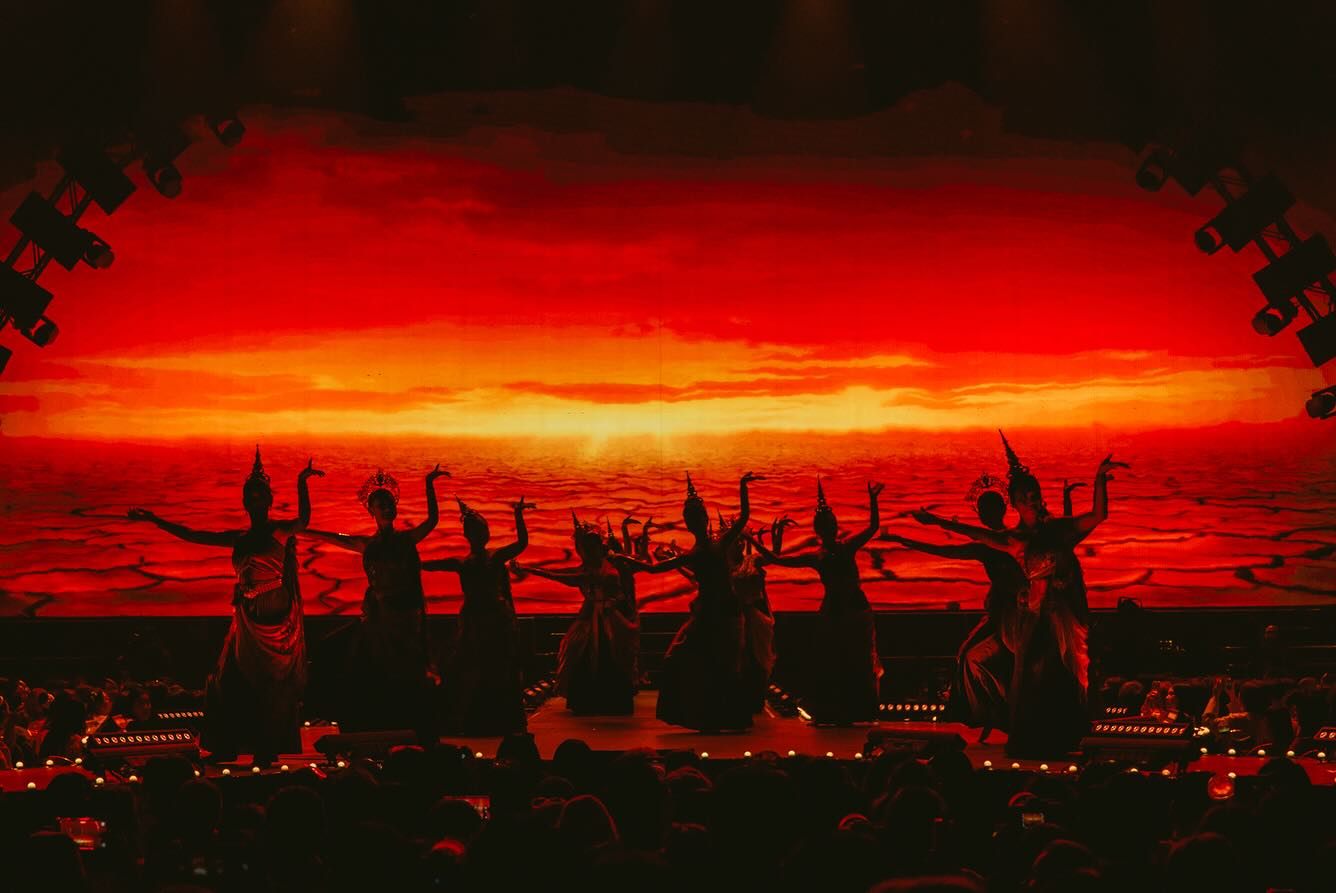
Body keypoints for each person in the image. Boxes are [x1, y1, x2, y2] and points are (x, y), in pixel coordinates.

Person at [912, 432, 1126, 756]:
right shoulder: (1015, 540)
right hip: (1034, 618)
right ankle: (1032, 739)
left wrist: (1099, 480)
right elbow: (976, 535)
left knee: (1065, 673)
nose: (1032, 500)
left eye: (1035, 494)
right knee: (1032, 676)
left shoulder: (1060, 529)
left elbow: (1098, 515)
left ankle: (1067, 737)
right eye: (1025, 497)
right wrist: (935, 521)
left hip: (1063, 616)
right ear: (1015, 503)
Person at [128, 448, 320, 765]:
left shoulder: (279, 531)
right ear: (245, 502)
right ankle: (227, 744)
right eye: (250, 496)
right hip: (245, 614)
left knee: (266, 683)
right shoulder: (239, 537)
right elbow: (194, 535)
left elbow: (304, 520)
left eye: (260, 495)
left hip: (272, 612)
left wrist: (301, 482)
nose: (255, 500)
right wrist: (155, 520)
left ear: (269, 500)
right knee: (227, 678)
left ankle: (265, 749)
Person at [301, 464, 449, 739]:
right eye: (382, 505)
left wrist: (429, 484)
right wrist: (298, 531)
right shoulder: (366, 544)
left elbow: (432, 521)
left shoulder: (406, 539)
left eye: (390, 503)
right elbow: (330, 537)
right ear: (372, 511)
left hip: (404, 617)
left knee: (402, 669)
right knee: (335, 651)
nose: (388, 508)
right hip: (378, 617)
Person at [610, 472, 762, 732]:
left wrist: (742, 486)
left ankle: (727, 717)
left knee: (725, 664)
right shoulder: (692, 554)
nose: (695, 522)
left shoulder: (722, 543)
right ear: (688, 524)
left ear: (705, 518)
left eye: (699, 517)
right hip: (706, 612)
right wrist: (625, 559)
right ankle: (704, 716)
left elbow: (744, 517)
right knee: (683, 659)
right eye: (690, 519)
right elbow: (654, 569)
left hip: (726, 612)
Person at [884, 473, 1025, 740]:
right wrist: (909, 542)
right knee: (967, 655)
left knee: (988, 658)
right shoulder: (984, 546)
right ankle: (989, 712)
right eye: (982, 510)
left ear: (1002, 509)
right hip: (999, 612)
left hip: (1020, 612)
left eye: (990, 509)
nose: (986, 515)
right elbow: (947, 552)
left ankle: (1004, 711)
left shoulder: (1014, 538)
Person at [750, 479, 885, 724]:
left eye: (832, 524)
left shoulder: (847, 547)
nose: (831, 528)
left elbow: (873, 527)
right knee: (833, 659)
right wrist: (754, 543)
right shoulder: (817, 557)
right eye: (826, 526)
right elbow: (779, 561)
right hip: (834, 611)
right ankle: (834, 710)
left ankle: (860, 709)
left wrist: (873, 499)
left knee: (859, 658)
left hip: (855, 609)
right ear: (819, 531)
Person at [423, 494, 535, 734]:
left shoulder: (493, 556)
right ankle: (478, 718)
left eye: (481, 529)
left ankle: (499, 717)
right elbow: (430, 564)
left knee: (497, 668)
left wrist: (518, 515)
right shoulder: (462, 562)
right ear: (469, 535)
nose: (479, 534)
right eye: (475, 530)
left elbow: (521, 544)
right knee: (475, 669)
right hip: (475, 622)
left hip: (495, 621)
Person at [512, 511, 639, 715]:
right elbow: (560, 576)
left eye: (593, 546)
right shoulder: (586, 570)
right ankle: (587, 700)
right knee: (578, 649)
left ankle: (614, 699)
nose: (590, 551)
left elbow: (623, 587)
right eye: (587, 547)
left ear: (599, 547)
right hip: (591, 615)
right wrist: (530, 569)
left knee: (613, 652)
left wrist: (615, 601)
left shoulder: (612, 564)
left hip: (611, 617)